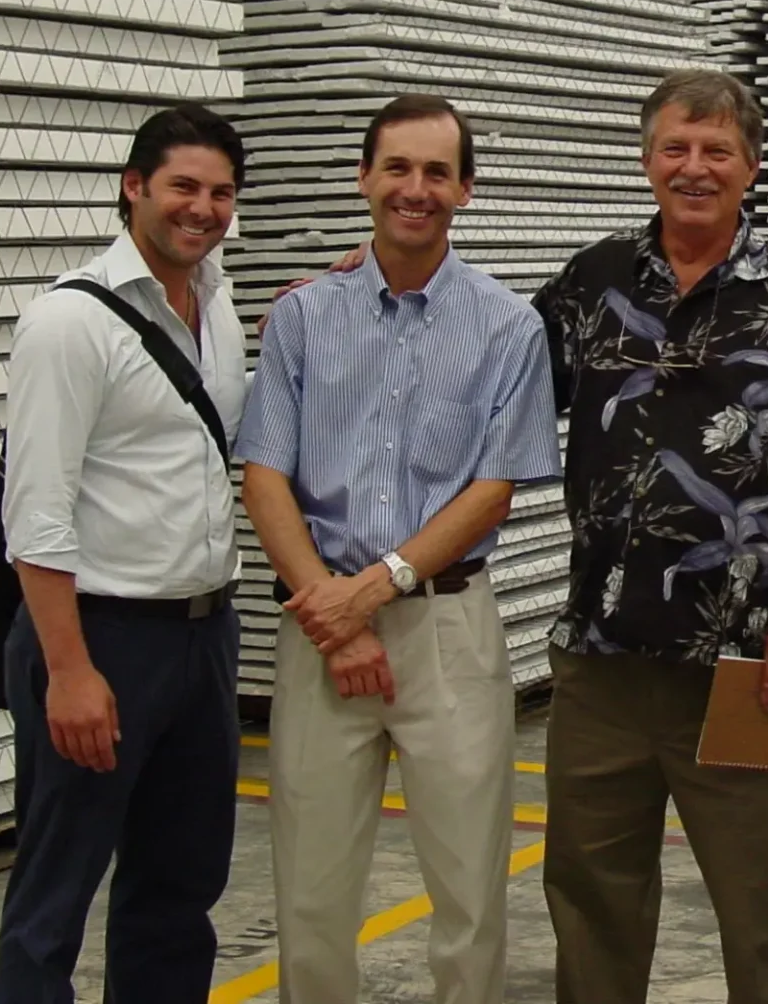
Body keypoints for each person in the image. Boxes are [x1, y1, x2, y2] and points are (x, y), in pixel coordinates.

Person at [533, 68, 768, 1004]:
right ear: (646, 161)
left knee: (763, 911)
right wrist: (369, 275)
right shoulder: (592, 282)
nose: (695, 166)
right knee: (592, 905)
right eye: (675, 147)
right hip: (600, 657)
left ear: (751, 166)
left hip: (750, 665)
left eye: (717, 149)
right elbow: (485, 373)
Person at [237, 94, 558, 1004]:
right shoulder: (303, 318)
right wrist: (334, 615)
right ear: (364, 177)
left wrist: (371, 593)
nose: (415, 190)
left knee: (468, 890)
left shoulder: (508, 327)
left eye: (437, 173)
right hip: (317, 625)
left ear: (467, 189)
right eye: (397, 169)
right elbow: (265, 474)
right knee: (310, 888)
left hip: (446, 629)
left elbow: (492, 488)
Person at [0, 103, 248, 1004]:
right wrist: (68, 670)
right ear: (134, 188)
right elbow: (38, 514)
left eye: (221, 192)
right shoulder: (70, 325)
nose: (203, 209)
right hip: (101, 636)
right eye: (183, 186)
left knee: (178, 892)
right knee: (54, 899)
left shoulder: (217, 308)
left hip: (205, 635)